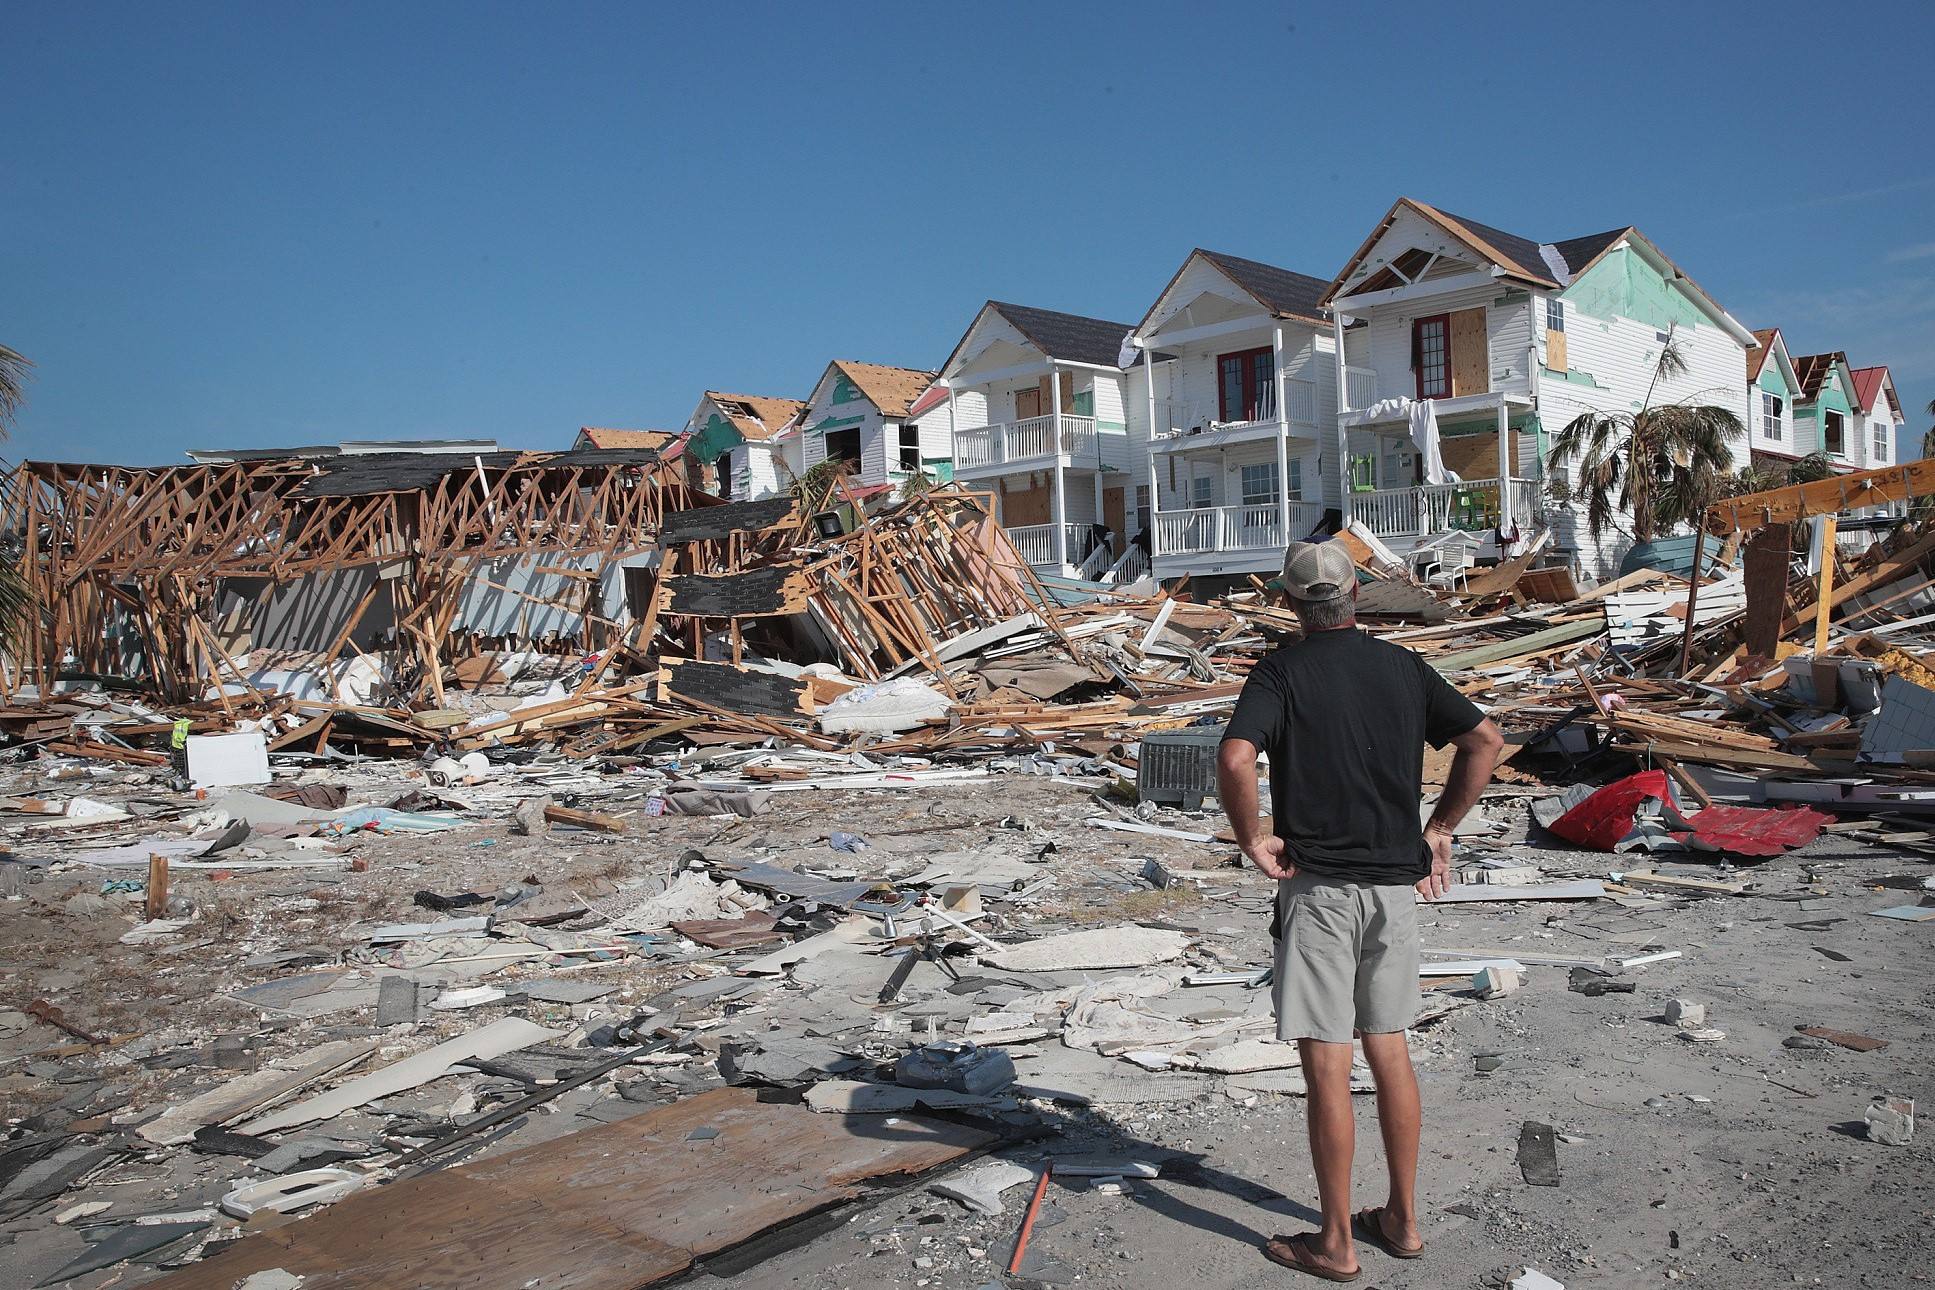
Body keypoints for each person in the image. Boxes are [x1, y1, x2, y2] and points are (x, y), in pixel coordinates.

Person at [1216, 539, 1504, 1282]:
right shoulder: (1402, 668)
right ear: (1356, 595)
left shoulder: (1280, 670)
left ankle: (1336, 1241)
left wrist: (1252, 837)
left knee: (1326, 1064)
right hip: (1390, 890)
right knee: (1389, 1046)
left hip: (1318, 890)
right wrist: (1438, 830)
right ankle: (1403, 1221)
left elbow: (1234, 757)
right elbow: (1484, 739)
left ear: (1288, 600)